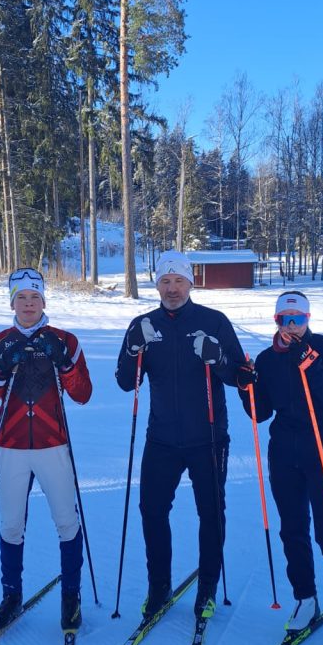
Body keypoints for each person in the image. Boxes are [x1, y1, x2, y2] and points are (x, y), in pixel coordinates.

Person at [115, 250, 248, 621]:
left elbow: (239, 376)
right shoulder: (142, 323)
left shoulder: (214, 321)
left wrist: (217, 357)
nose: (171, 288)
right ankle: (159, 587)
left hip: (208, 437)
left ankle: (207, 588)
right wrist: (133, 349)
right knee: (152, 511)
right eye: (165, 281)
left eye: (178, 281)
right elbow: (127, 382)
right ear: (156, 284)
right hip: (161, 439)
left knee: (211, 514)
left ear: (191, 282)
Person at [0, 267, 92, 634]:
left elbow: (83, 394)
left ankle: (70, 597)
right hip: (10, 448)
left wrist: (66, 363)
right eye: (21, 298)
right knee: (11, 525)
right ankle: (11, 597)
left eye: (34, 297)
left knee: (67, 522)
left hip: (52, 444)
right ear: (12, 302)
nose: (28, 304)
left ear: (44, 301)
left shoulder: (65, 340)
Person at [238, 290, 323, 630]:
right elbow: (260, 413)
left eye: (298, 319)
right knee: (292, 529)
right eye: (284, 319)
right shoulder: (266, 360)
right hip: (285, 453)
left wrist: (312, 366)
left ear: (308, 319)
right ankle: (305, 598)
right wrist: (244, 386)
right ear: (276, 320)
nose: (291, 326)